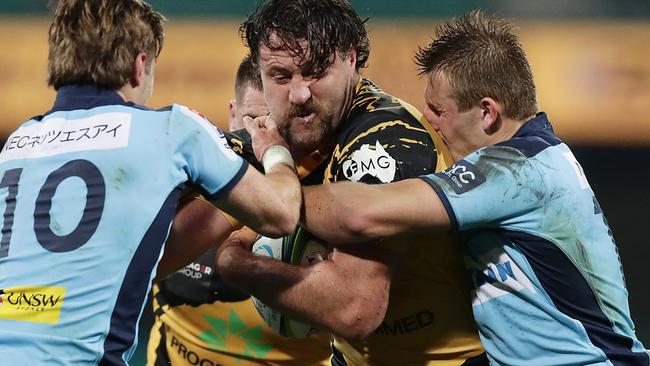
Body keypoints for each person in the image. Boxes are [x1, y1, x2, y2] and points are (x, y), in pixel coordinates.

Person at [290, 10, 650, 365]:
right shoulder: (536, 161)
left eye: (438, 109)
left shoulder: (517, 171)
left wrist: (268, 188)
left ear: (487, 112)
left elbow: (361, 214)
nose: (427, 119)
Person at [0, 1, 302, 364]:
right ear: (139, 65)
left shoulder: (17, 144)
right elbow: (281, 214)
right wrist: (277, 152)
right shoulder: (172, 129)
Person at [215, 1, 487, 365]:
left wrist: (235, 262)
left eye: (315, 72)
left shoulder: (388, 137)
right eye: (280, 77)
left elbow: (356, 309)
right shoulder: (278, 135)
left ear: (351, 58)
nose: (299, 94)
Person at [147, 56, 331, 366]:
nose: (264, 144)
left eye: (280, 134)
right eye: (255, 125)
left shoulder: (331, 213)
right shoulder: (181, 189)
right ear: (233, 116)